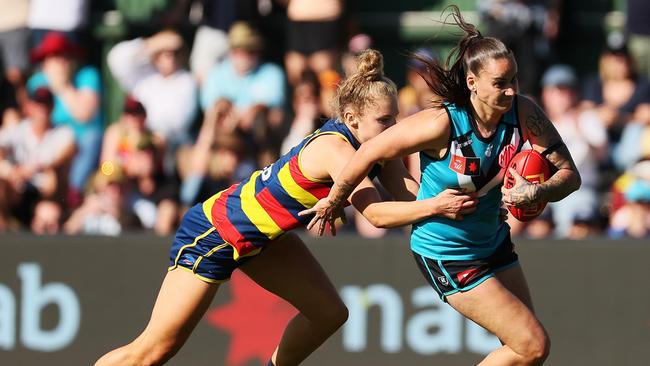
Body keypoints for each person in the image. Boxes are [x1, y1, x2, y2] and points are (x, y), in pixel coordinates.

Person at [94, 49, 476, 366]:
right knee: (152, 352)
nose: (394, 127)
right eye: (384, 120)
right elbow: (376, 214)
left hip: (265, 238)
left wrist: (463, 197)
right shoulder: (335, 149)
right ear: (351, 119)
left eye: (395, 117)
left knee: (329, 313)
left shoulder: (378, 144)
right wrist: (439, 207)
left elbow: (409, 198)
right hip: (217, 231)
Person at [307, 7, 581, 365]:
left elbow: (569, 175)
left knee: (527, 355)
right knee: (532, 345)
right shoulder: (442, 123)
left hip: (494, 241)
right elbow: (372, 149)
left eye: (513, 80)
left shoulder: (523, 112)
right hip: (448, 254)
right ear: (472, 83)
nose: (511, 91)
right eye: (500, 83)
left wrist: (540, 191)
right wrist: (335, 198)